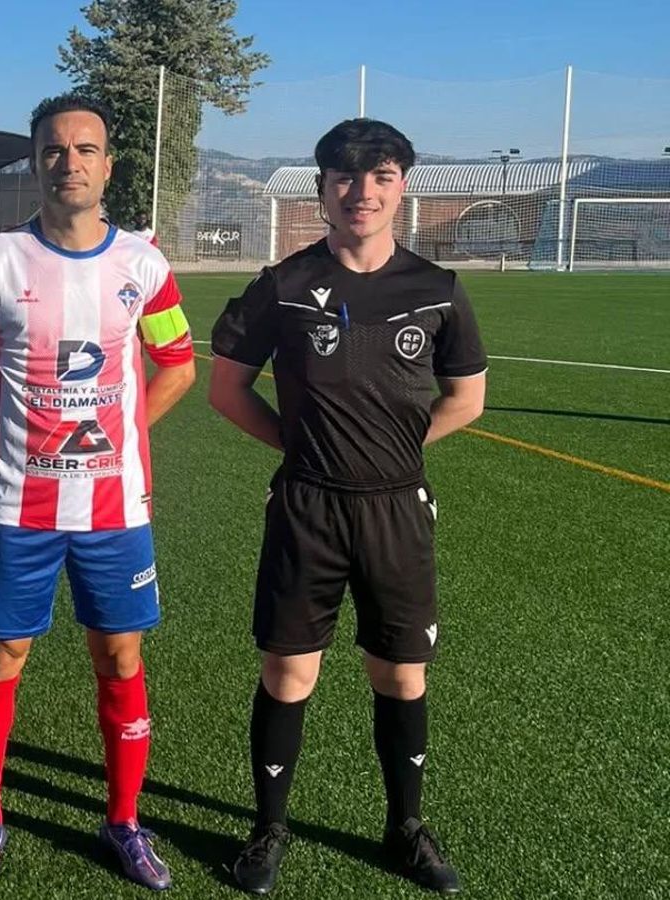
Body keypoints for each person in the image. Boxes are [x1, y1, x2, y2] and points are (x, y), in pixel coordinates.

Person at [208, 118, 487, 895]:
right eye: (344, 176)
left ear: (403, 185)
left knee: (401, 677)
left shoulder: (436, 289)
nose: (361, 192)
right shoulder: (284, 285)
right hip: (307, 507)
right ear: (322, 185)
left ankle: (405, 828)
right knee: (288, 672)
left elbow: (467, 399)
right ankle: (269, 829)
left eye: (381, 175)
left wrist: (399, 452)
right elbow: (227, 391)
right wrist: (300, 452)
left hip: (398, 510)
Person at [0, 92, 197, 893]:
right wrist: (9, 432)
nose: (70, 162)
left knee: (118, 653)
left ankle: (123, 820)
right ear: (36, 160)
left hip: (116, 510)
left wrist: (126, 435)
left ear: (107, 164)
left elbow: (177, 364)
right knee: (2, 652)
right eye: (55, 149)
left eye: (86, 149)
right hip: (19, 507)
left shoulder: (143, 266)